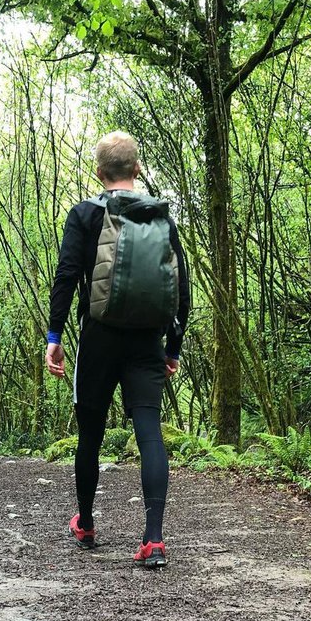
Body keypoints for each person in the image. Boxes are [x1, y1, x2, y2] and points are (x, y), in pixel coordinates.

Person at [45, 131, 190, 568]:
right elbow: (182, 286)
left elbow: (67, 277)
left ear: (98, 172)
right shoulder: (160, 217)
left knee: (90, 432)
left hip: (98, 338)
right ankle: (154, 539)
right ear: (137, 169)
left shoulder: (85, 214)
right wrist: (173, 348)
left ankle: (86, 524)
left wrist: (54, 337)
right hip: (148, 338)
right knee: (149, 432)